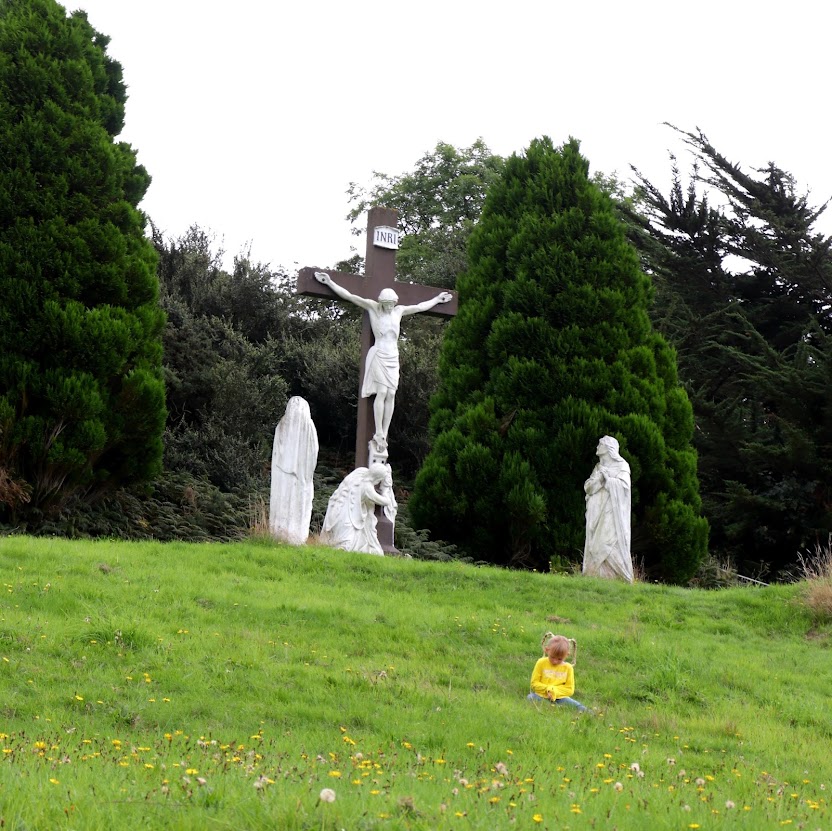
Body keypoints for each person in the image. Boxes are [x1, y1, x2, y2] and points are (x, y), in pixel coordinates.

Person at [314, 271, 452, 450]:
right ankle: (378, 431)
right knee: (382, 391)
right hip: (379, 354)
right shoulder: (373, 308)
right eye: (386, 304)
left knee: (391, 394)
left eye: (391, 304)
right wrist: (329, 283)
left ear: (395, 302)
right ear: (381, 302)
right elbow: (349, 296)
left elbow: (420, 307)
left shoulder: (399, 311)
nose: (388, 307)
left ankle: (384, 433)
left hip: (393, 356)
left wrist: (437, 300)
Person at [582, 435, 634, 582]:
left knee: (606, 541)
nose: (597, 447)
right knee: (595, 543)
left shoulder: (622, 466)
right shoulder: (598, 467)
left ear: (608, 448)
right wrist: (600, 479)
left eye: (600, 444)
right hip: (595, 512)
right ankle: (594, 575)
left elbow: (624, 488)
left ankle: (620, 576)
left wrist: (608, 480)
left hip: (612, 511)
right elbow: (588, 488)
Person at [321, 463, 397, 556]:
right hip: (349, 518)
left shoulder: (360, 472)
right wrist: (385, 489)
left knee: (340, 541)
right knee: (346, 544)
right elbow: (385, 501)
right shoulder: (367, 488)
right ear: (377, 478)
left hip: (340, 511)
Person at [527, 634, 587, 711]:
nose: (555, 661)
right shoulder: (541, 662)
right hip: (541, 695)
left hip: (560, 697)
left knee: (578, 706)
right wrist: (548, 690)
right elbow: (534, 683)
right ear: (547, 650)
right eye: (552, 657)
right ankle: (552, 706)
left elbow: (570, 689)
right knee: (530, 697)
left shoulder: (568, 668)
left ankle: (588, 713)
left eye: (559, 659)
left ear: (567, 655)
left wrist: (554, 691)